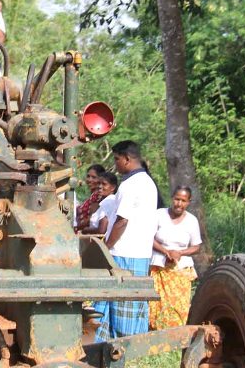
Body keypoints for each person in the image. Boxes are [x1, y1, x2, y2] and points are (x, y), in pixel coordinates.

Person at [94, 140, 158, 342]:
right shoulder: (147, 182)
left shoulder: (132, 185)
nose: (116, 164)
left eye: (117, 159)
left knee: (122, 311)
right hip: (139, 253)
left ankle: (120, 351)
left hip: (125, 253)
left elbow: (122, 221)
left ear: (127, 159)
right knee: (127, 305)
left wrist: (105, 248)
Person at [149, 186, 202, 330]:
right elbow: (149, 238)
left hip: (180, 268)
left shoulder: (192, 220)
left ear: (188, 202)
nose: (179, 203)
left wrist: (180, 253)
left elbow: (196, 246)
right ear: (172, 198)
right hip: (159, 265)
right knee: (157, 303)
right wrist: (165, 251)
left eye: (183, 201)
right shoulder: (159, 214)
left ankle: (176, 337)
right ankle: (155, 333)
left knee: (179, 304)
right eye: (177, 199)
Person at [73, 164, 105, 233]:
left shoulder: (97, 196)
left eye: (94, 177)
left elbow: (90, 219)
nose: (89, 179)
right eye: (88, 176)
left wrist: (74, 228)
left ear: (100, 179)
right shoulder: (92, 196)